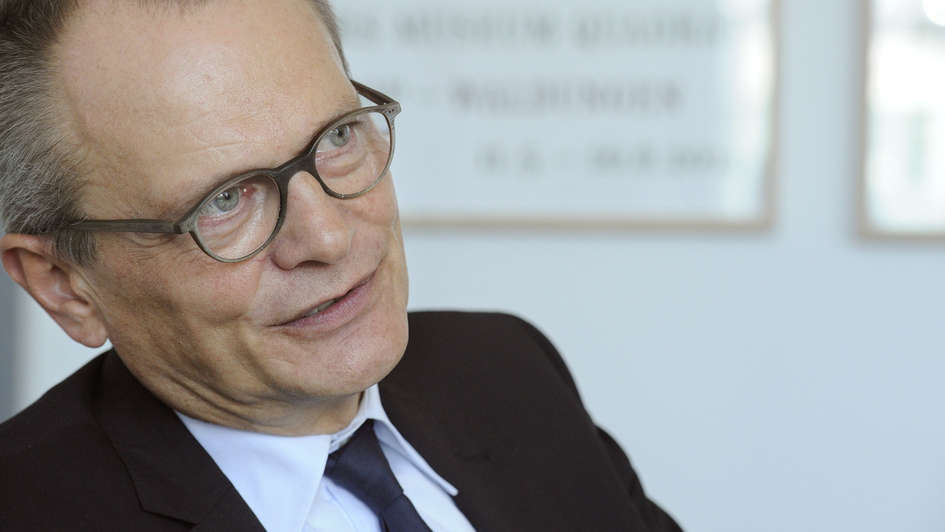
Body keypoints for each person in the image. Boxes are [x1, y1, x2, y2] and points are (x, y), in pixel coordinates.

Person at [0, 0, 682, 530]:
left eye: (337, 136)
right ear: (65, 287)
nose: (326, 236)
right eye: (224, 201)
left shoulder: (505, 370)